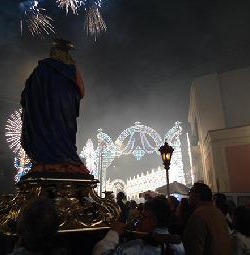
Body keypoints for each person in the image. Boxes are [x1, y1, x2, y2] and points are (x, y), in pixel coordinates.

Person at [21, 38, 88, 174]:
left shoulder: (41, 69)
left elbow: (27, 94)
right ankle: (66, 160)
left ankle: (46, 161)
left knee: (45, 133)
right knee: (64, 136)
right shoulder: (72, 69)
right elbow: (81, 91)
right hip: (65, 113)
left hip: (43, 114)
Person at [92, 196, 185, 255]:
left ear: (151, 221)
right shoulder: (178, 244)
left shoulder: (135, 248)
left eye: (143, 216)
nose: (139, 219)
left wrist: (113, 233)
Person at [183, 183, 232, 255]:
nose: (188, 195)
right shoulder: (218, 212)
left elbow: (195, 248)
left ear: (197, 196)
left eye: (190, 193)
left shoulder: (199, 215)